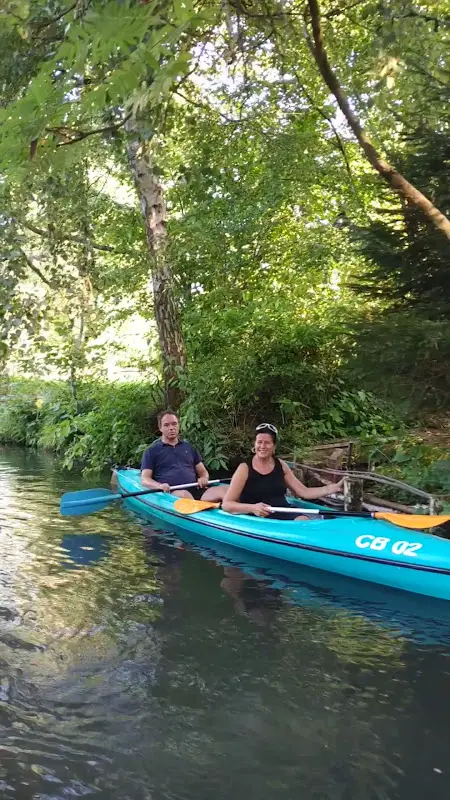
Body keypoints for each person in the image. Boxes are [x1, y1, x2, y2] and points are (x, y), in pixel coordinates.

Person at [222, 422, 345, 518]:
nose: (262, 446)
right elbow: (227, 504)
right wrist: (252, 508)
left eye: (267, 443)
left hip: (282, 510)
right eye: (259, 442)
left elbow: (304, 492)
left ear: (274, 446)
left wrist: (332, 488)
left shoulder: (280, 465)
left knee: (303, 520)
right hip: (257, 516)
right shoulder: (244, 468)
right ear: (254, 445)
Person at [141, 410, 226, 501]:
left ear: (178, 425)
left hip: (196, 489)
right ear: (160, 428)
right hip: (172, 493)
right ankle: (200, 510)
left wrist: (203, 478)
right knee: (185, 495)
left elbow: (203, 471)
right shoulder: (151, 451)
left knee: (224, 490)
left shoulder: (189, 448)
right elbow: (145, 479)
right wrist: (159, 486)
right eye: (166, 425)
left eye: (174, 424)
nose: (171, 428)